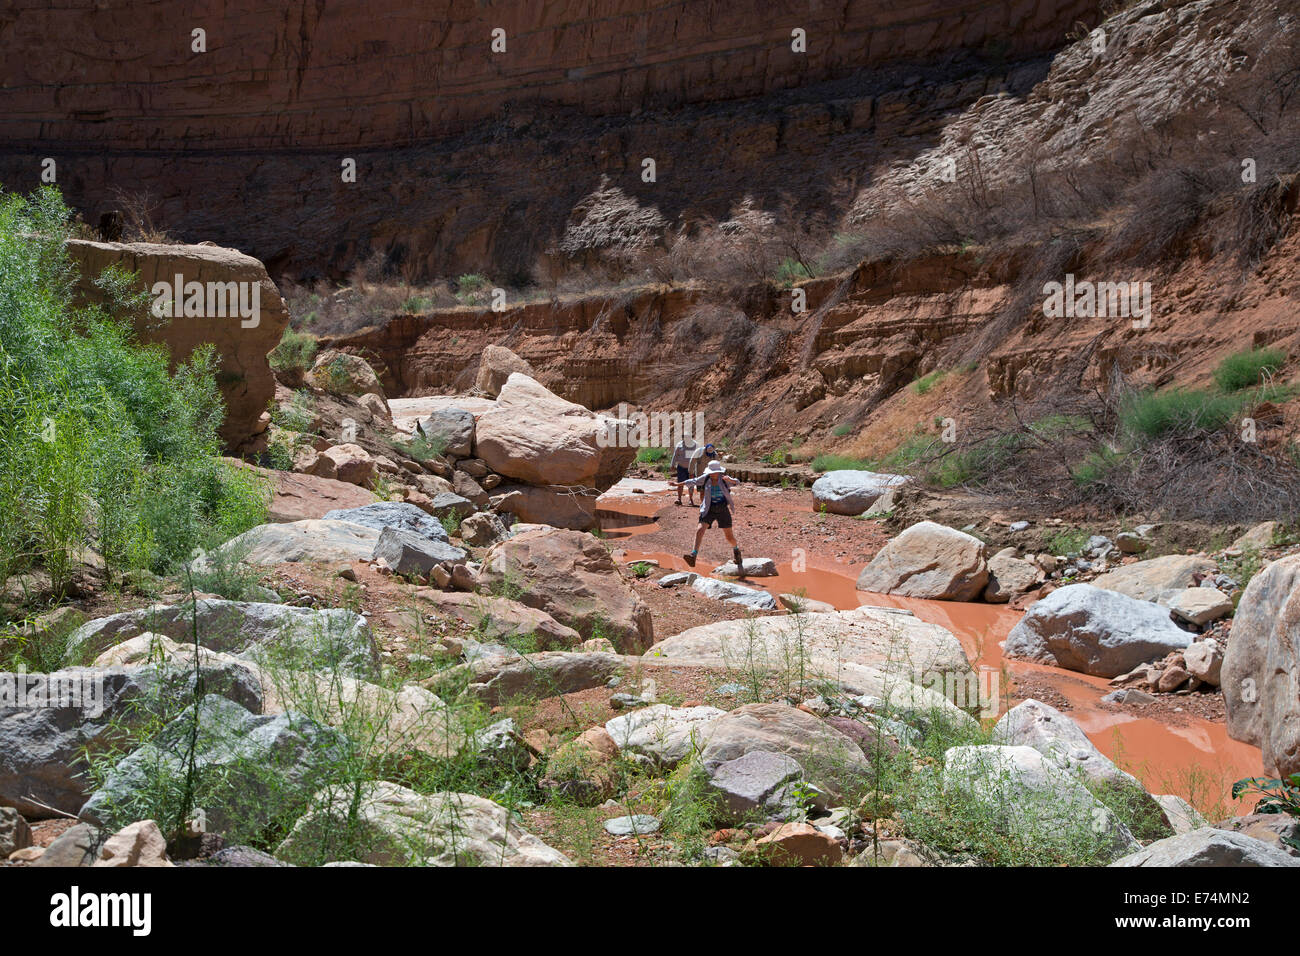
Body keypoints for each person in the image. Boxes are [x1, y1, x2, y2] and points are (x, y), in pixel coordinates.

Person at [671, 460, 744, 572]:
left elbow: (738, 482)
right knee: (700, 530)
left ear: (719, 472)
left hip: (722, 509)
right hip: (708, 509)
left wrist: (731, 480)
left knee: (729, 537)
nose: (713, 474)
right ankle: (693, 555)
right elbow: (692, 481)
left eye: (715, 472)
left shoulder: (725, 479)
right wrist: (677, 484)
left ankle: (736, 551)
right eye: (711, 472)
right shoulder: (705, 478)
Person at [669, 434, 700, 506]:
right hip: (681, 467)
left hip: (692, 468)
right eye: (685, 437)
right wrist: (672, 465)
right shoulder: (679, 445)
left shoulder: (696, 445)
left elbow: (699, 455)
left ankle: (690, 499)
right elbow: (675, 455)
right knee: (680, 483)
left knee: (691, 483)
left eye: (688, 437)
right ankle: (679, 499)